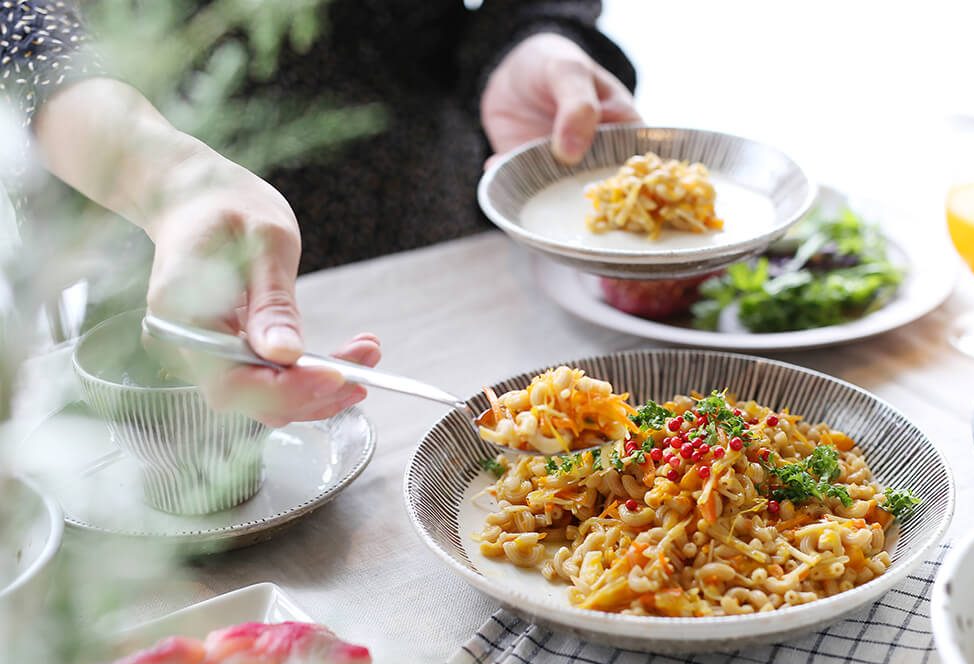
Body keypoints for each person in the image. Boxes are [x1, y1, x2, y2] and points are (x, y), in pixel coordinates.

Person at [1, 1, 639, 426]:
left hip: (442, 240)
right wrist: (171, 179)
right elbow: (22, 24)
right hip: (178, 257)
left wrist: (527, 37)